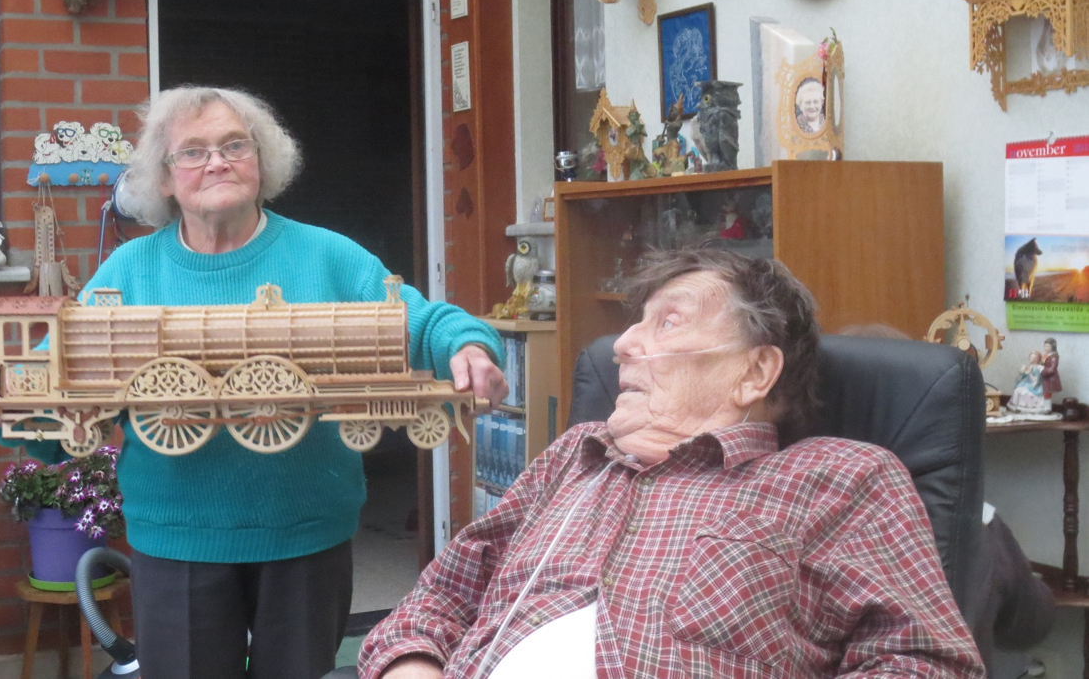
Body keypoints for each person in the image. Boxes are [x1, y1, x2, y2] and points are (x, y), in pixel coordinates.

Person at [0, 85, 508, 679]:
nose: (217, 161)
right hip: (177, 542)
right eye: (193, 152)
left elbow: (420, 318)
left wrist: (468, 345)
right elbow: (56, 397)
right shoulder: (127, 270)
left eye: (234, 145)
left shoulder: (328, 256)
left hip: (306, 536)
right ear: (166, 179)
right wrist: (5, 403)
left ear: (262, 161)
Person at [360, 249, 983, 679]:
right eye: (636, 322)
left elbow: (924, 659)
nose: (624, 345)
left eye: (668, 321)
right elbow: (436, 600)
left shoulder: (839, 478)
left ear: (756, 371)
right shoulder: (575, 458)